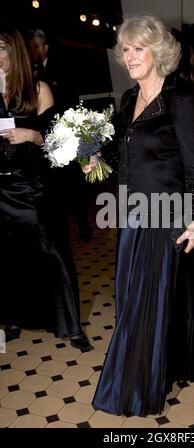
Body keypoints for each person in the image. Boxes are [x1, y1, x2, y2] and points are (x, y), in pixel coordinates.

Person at [84, 14, 194, 417]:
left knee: (144, 303)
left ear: (158, 51)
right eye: (125, 49)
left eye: (138, 48)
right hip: (132, 214)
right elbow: (124, 152)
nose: (129, 56)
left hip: (167, 215)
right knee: (136, 295)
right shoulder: (129, 99)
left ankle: (133, 389)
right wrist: (95, 156)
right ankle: (167, 364)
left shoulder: (180, 99)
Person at [0, 22, 92, 351]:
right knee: (9, 257)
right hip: (1, 190)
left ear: (15, 52)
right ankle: (13, 317)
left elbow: (59, 142)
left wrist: (32, 135)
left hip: (34, 188)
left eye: (0, 48)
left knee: (52, 253)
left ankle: (71, 324)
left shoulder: (38, 90)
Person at [27, 28, 93, 243]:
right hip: (42, 138)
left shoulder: (61, 69)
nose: (33, 51)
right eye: (31, 47)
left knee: (71, 185)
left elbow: (70, 101)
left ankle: (83, 225)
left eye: (36, 46)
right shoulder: (28, 71)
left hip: (64, 133)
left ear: (45, 48)